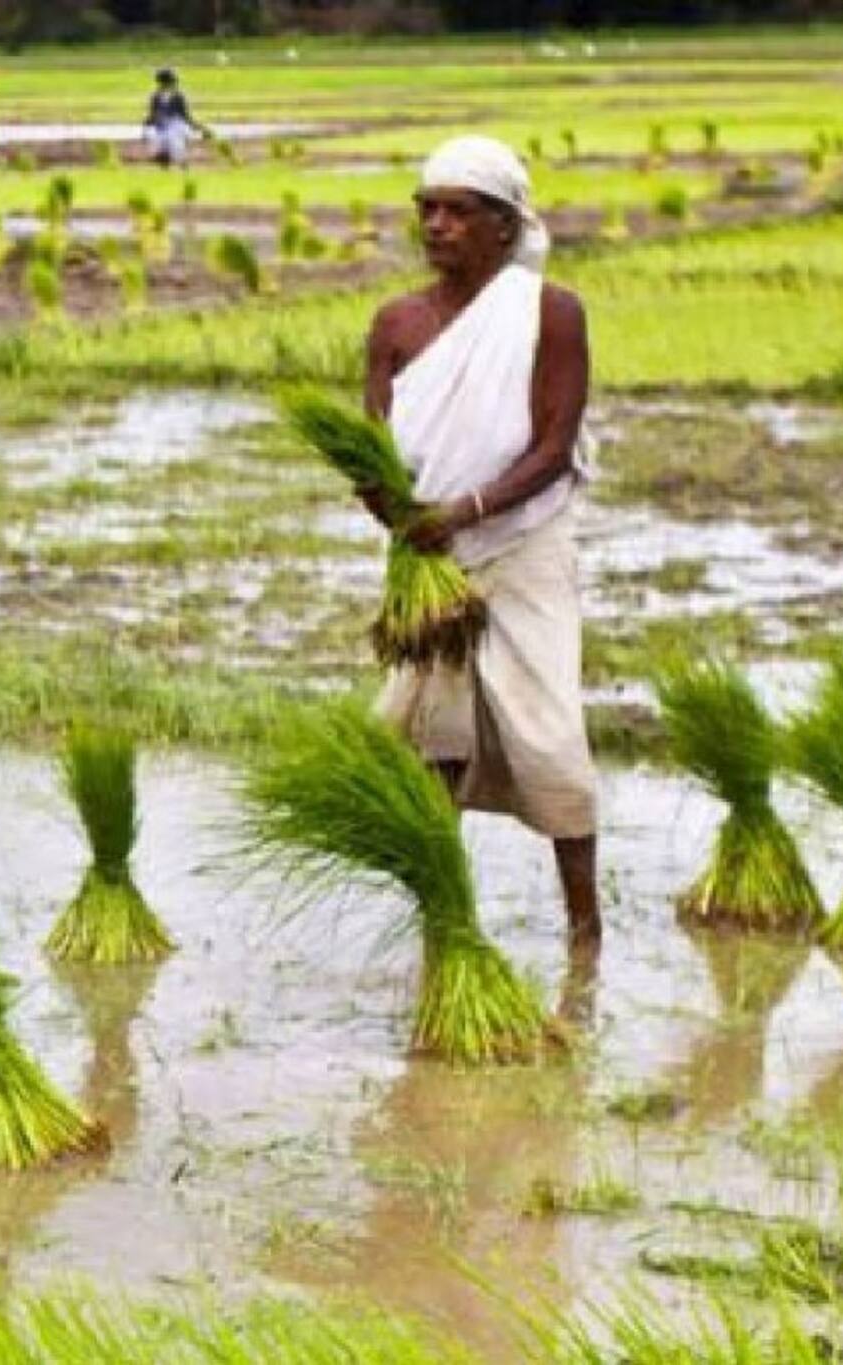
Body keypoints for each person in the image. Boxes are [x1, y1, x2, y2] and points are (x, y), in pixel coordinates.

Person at [363, 135, 601, 952]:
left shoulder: (549, 313)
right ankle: (445, 917)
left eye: (458, 212)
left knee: (549, 729)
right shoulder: (397, 322)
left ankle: (585, 929)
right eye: (427, 209)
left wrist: (463, 510)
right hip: (432, 555)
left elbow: (554, 446)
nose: (437, 225)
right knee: (428, 730)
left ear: (505, 225)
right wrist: (396, 516)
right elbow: (376, 450)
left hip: (523, 542)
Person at [142, 68, 209, 169]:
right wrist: (147, 125)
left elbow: (185, 116)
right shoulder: (155, 96)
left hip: (176, 126)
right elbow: (152, 114)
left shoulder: (178, 96)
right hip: (161, 127)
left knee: (176, 148)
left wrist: (200, 128)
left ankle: (183, 169)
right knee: (161, 151)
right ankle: (165, 171)